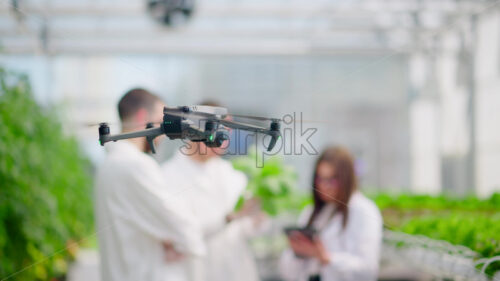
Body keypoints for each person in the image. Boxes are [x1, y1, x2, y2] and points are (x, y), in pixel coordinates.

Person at [94, 88, 205, 281]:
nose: (164, 133)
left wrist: (167, 240)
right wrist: (181, 243)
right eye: (162, 123)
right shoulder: (136, 164)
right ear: (142, 116)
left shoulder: (109, 165)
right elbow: (180, 223)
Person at [161, 101, 265, 281]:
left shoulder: (232, 174)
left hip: (237, 271)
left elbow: (244, 230)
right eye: (220, 130)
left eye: (228, 131)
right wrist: (228, 217)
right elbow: (180, 234)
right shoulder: (167, 176)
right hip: (196, 273)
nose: (224, 139)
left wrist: (257, 217)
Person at [279, 146, 382, 281]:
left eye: (331, 180)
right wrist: (297, 252)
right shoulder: (311, 212)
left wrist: (327, 258)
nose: (324, 186)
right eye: (320, 179)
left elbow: (368, 271)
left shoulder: (364, 210)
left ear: (346, 179)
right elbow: (287, 272)